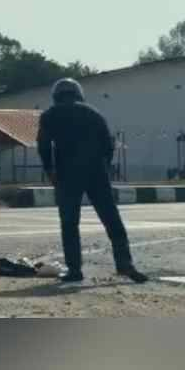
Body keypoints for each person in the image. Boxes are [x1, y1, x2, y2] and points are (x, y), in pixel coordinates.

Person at [37, 78, 147, 283]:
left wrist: (49, 170)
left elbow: (44, 146)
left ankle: (74, 270)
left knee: (69, 223)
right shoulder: (93, 113)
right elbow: (108, 143)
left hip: (66, 174)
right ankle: (125, 264)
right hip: (96, 172)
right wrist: (103, 167)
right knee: (111, 219)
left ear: (56, 96)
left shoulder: (49, 116)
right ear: (78, 94)